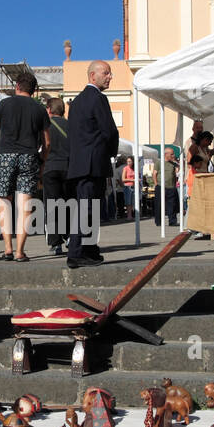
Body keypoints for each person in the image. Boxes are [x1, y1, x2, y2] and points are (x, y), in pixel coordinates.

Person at [0, 72, 50, 262]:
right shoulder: (39, 109)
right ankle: (20, 251)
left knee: (4, 202)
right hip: (29, 157)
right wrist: (42, 159)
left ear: (17, 86)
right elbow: (47, 142)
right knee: (25, 207)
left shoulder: (3, 105)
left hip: (6, 155)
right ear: (33, 90)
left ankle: (7, 248)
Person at [66, 60, 119, 270]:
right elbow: (109, 131)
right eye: (106, 73)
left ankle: (89, 250)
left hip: (80, 163)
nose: (110, 77)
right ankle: (76, 252)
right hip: (94, 163)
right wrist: (111, 154)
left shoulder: (77, 101)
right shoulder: (98, 98)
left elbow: (73, 135)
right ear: (92, 76)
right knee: (88, 208)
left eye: (110, 73)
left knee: (88, 207)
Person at [43, 97, 70, 254]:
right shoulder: (70, 126)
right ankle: (69, 237)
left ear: (49, 109)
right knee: (68, 203)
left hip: (51, 167)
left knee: (52, 205)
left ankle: (55, 242)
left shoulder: (46, 126)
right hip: (68, 167)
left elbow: (43, 145)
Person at [153, 147, 180, 227]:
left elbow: (176, 173)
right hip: (161, 186)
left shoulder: (173, 164)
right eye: (171, 154)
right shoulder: (159, 162)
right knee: (159, 205)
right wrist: (156, 184)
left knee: (172, 204)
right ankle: (158, 222)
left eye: (173, 154)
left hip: (171, 186)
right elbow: (154, 173)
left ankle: (172, 221)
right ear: (166, 154)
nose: (173, 155)